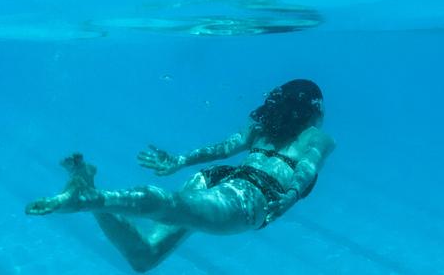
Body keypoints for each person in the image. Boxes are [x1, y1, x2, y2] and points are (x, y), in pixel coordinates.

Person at [25, 79, 334, 273]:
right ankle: (89, 198)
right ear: (314, 111)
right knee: (174, 206)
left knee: (144, 256)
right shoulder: (314, 136)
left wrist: (181, 161)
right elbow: (308, 168)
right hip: (250, 197)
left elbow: (222, 149)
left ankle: (89, 193)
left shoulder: (262, 129)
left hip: (219, 179)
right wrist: (290, 197)